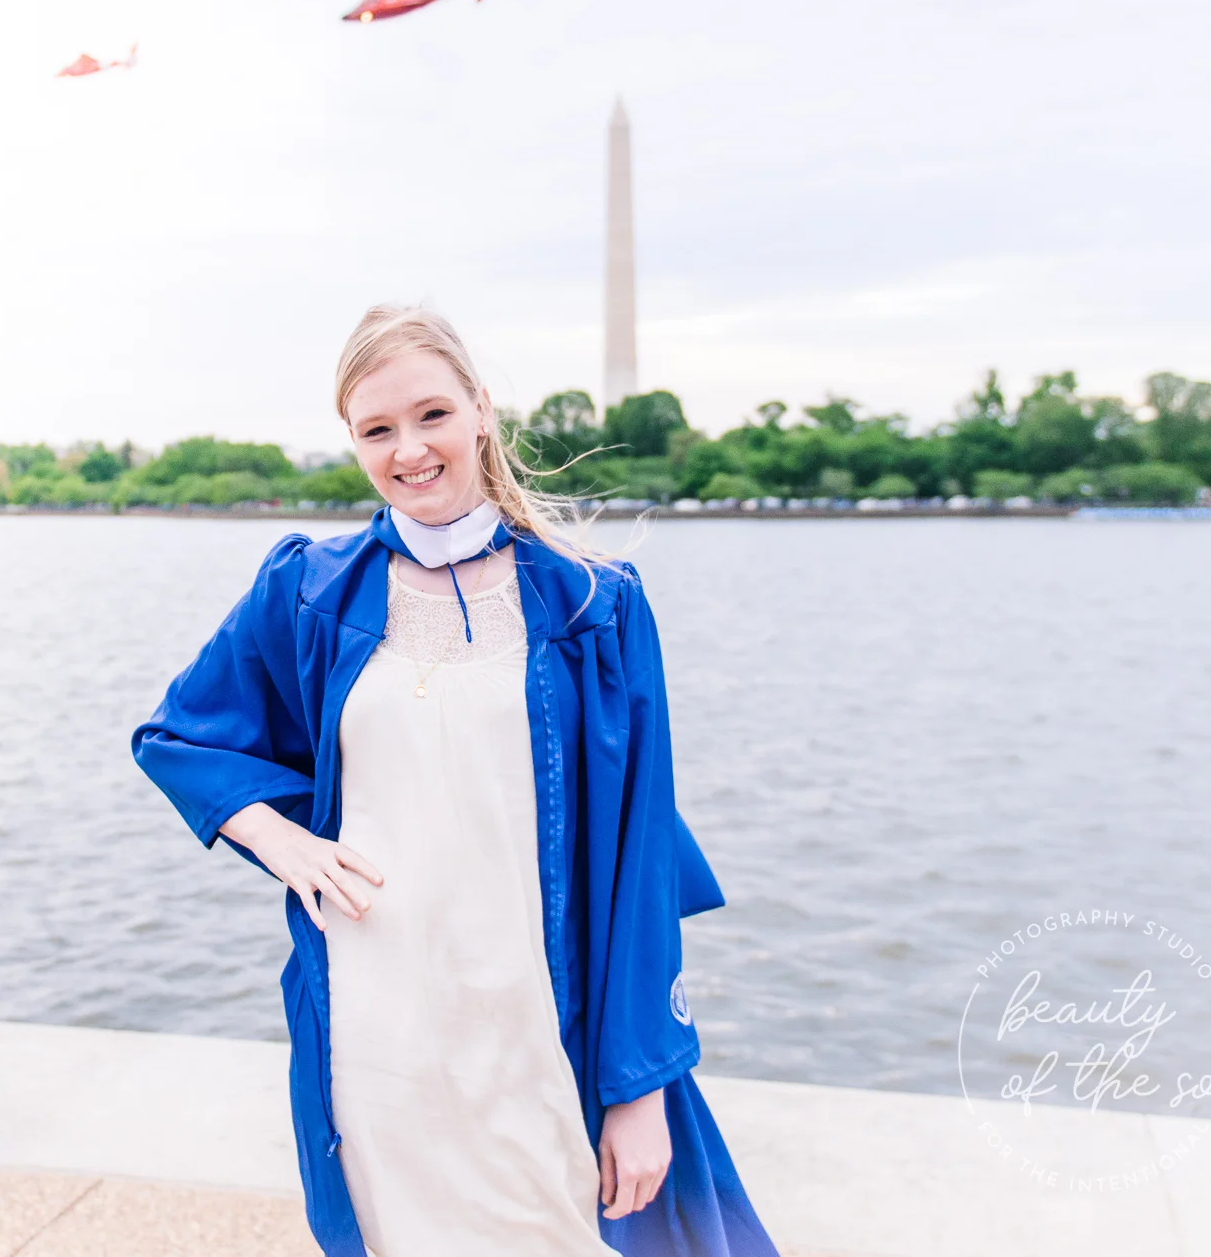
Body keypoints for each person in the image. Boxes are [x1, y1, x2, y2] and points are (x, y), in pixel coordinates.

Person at [131, 304, 778, 1257]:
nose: (411, 450)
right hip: (374, 1021)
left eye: (432, 414)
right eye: (377, 430)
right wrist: (284, 840)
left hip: (534, 1024)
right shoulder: (310, 589)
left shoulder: (593, 602)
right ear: (351, 441)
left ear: (480, 410)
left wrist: (638, 1085)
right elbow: (179, 734)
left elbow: (640, 859)